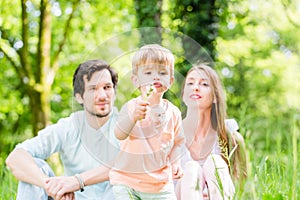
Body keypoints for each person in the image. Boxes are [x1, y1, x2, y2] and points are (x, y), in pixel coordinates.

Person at [6, 59, 120, 200]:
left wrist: (77, 181)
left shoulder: (130, 124)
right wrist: (50, 186)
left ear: (114, 92)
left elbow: (128, 164)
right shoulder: (68, 127)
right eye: (93, 89)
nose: (102, 96)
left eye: (107, 87)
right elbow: (15, 157)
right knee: (35, 165)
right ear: (79, 97)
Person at [109, 44, 185, 200]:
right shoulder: (131, 107)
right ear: (136, 81)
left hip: (160, 185)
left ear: (170, 81)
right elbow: (119, 134)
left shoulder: (174, 113)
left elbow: (177, 143)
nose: (155, 77)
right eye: (148, 72)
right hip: (127, 181)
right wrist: (133, 118)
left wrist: (176, 163)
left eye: (162, 72)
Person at [175, 63, 248, 200]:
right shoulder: (170, 134)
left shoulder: (230, 137)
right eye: (190, 83)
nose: (195, 88)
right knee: (191, 169)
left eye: (204, 84)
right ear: (184, 95)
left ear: (215, 96)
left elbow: (242, 186)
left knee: (216, 162)